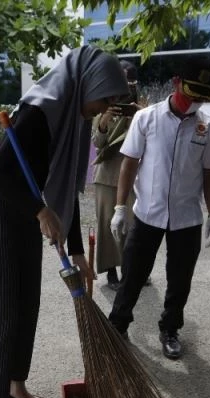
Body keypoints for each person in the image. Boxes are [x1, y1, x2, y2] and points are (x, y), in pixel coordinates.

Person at [0, 45, 129, 398]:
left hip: (30, 211)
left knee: (28, 305)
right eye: (107, 97)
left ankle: (17, 387)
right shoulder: (40, 111)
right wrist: (41, 211)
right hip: (0, 211)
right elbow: (0, 174)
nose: (107, 107)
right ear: (88, 85)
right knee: (1, 308)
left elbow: (64, 189)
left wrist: (77, 250)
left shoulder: (74, 121)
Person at [108, 61, 210, 360]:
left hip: (186, 218)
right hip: (148, 213)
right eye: (191, 93)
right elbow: (129, 163)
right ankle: (118, 325)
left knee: (180, 280)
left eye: (201, 96)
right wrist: (120, 207)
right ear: (176, 82)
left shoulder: (208, 127)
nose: (194, 101)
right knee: (133, 273)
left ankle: (170, 329)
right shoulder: (147, 118)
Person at [90, 60, 140, 290]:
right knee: (107, 228)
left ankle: (131, 270)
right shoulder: (102, 107)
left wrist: (137, 114)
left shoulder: (142, 110)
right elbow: (98, 144)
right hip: (106, 176)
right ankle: (111, 274)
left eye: (128, 82)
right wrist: (105, 120)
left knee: (132, 226)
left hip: (133, 177)